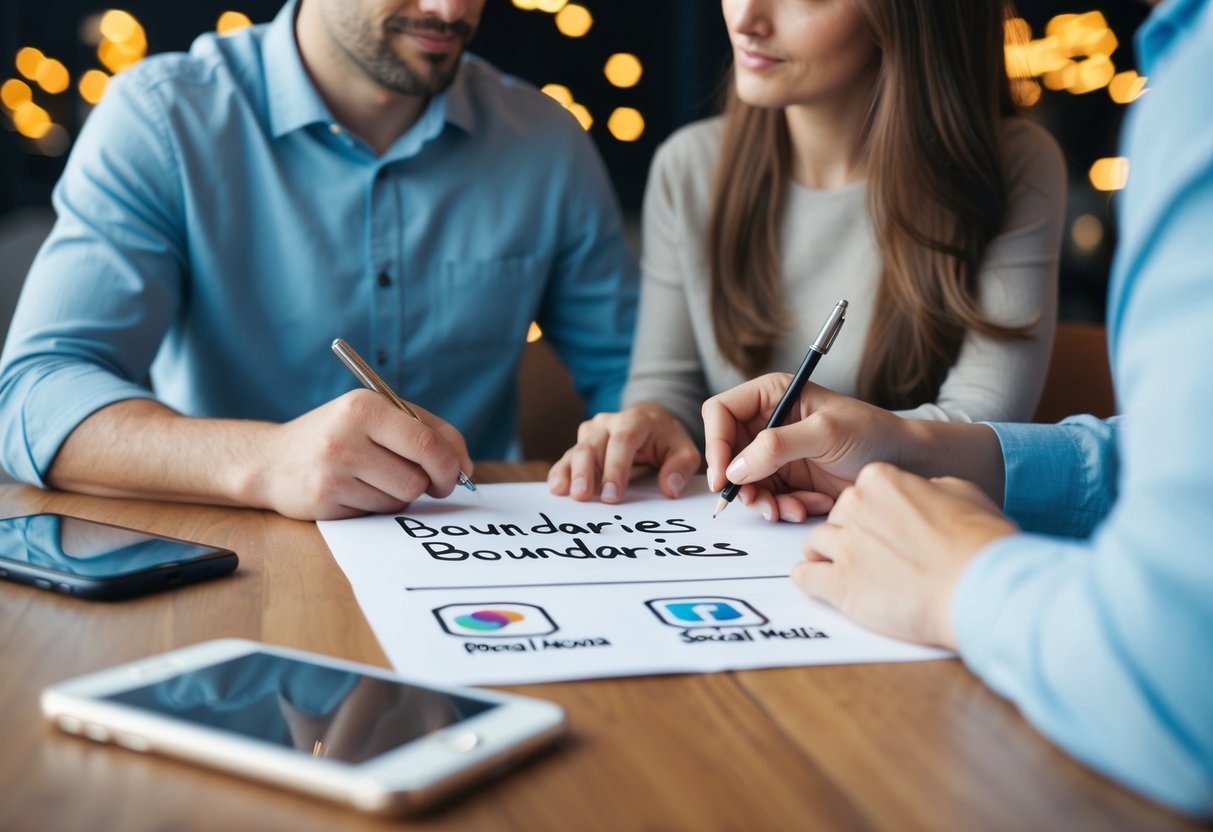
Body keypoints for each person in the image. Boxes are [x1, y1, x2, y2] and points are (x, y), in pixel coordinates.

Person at [700, 0, 1213, 815]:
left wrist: (964, 579)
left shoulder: (1192, 88)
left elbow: (1180, 682)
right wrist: (915, 446)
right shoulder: (1184, 66)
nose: (748, 17)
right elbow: (1158, 457)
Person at [0, 0, 637, 520]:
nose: (450, 11)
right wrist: (269, 459)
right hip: (231, 548)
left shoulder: (544, 140)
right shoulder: (165, 117)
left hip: (466, 536)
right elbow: (33, 394)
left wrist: (637, 422)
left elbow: (634, 374)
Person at [548, 0, 1065, 506]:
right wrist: (651, 418)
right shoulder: (688, 167)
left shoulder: (1014, 168)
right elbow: (669, 386)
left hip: (921, 541)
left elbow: (986, 430)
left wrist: (810, 457)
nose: (746, 19)